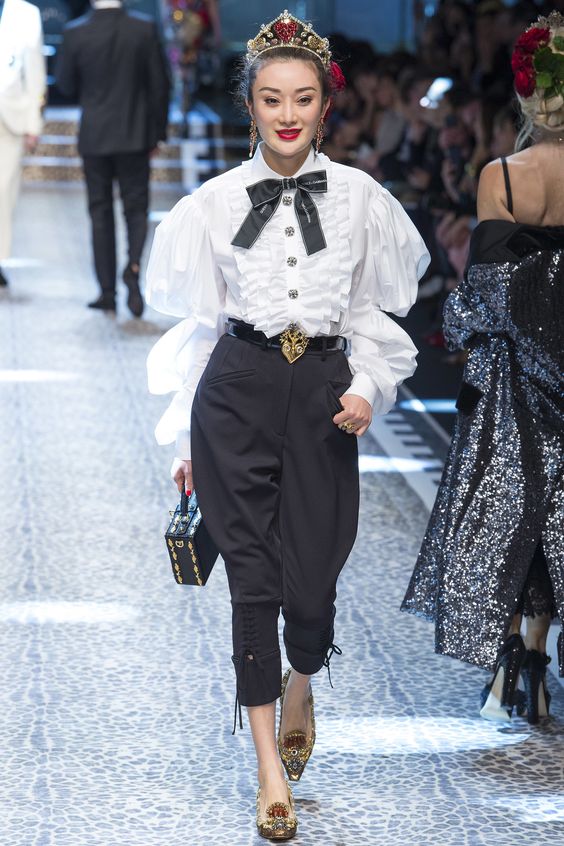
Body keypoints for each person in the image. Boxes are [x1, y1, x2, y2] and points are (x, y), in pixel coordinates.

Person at [146, 10, 429, 840]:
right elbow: (203, 327)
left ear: (325, 106)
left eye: (302, 98)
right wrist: (183, 440)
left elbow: (373, 315)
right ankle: (269, 768)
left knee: (312, 583)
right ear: (250, 106)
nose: (287, 114)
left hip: (322, 401)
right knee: (253, 585)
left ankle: (302, 683)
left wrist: (369, 387)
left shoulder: (362, 200)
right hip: (235, 393)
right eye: (271, 99)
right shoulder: (212, 205)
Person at [402, 12, 564, 727]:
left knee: (512, 515)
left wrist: (465, 331)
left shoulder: (502, 175)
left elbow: (490, 288)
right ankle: (538, 657)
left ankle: (514, 665)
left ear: (527, 96)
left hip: (516, 377)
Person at [56, 0, 170, 317]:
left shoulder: (75, 32)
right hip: (135, 135)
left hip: (95, 136)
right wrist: (158, 133)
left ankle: (107, 292)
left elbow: (65, 84)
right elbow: (160, 86)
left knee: (100, 212)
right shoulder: (143, 29)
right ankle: (133, 268)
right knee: (136, 209)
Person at [0, 0, 46, 287]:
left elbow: (35, 72)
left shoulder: (26, 13)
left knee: (3, 192)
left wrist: (33, 124)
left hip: (10, 117)